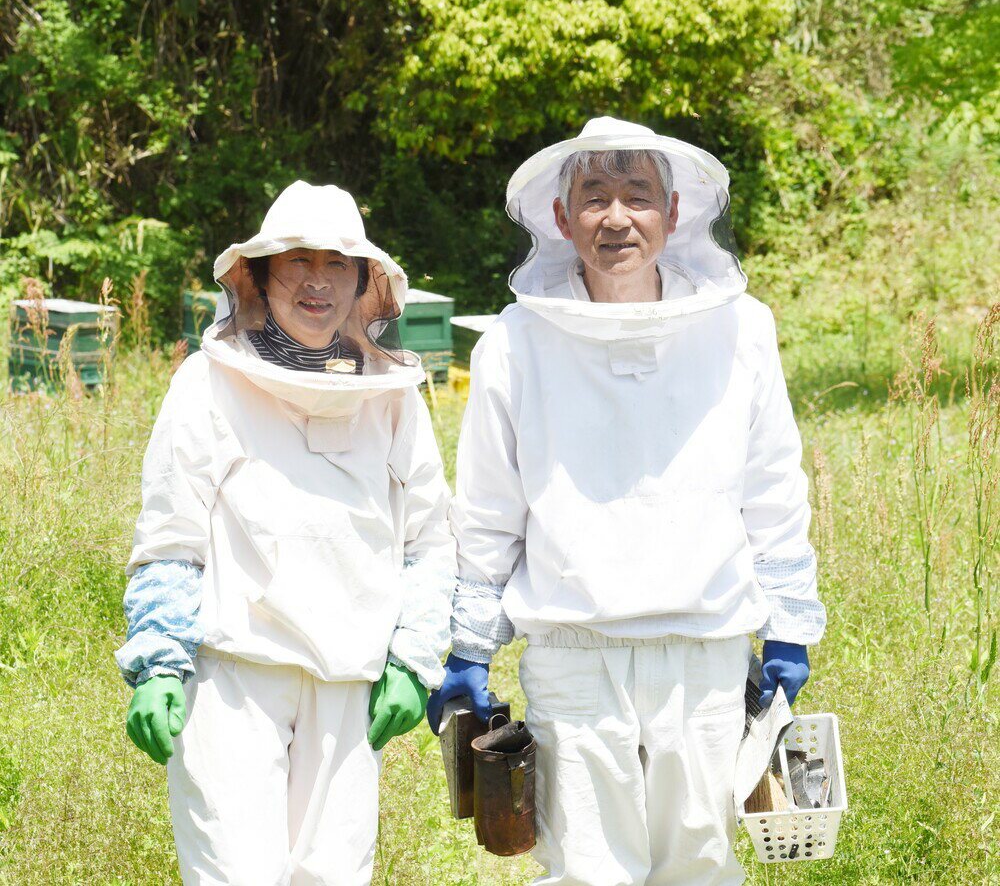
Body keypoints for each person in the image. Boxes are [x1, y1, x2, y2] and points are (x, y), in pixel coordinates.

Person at [427, 117, 825, 886]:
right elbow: (487, 511)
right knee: (587, 869)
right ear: (560, 216)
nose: (616, 218)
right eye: (595, 197)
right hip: (575, 652)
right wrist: (470, 646)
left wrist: (788, 626)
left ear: (674, 215)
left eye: (637, 196)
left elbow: (772, 488)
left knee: (699, 864)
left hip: (705, 648)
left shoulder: (742, 329)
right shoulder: (513, 343)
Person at [116, 180, 456, 885]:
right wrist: (158, 662)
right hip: (234, 676)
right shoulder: (207, 384)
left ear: (364, 282)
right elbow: (171, 534)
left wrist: (414, 659)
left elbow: (429, 540)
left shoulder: (393, 400)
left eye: (337, 264)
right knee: (237, 874)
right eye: (297, 259)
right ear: (261, 274)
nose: (316, 280)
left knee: (333, 876)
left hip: (352, 683)